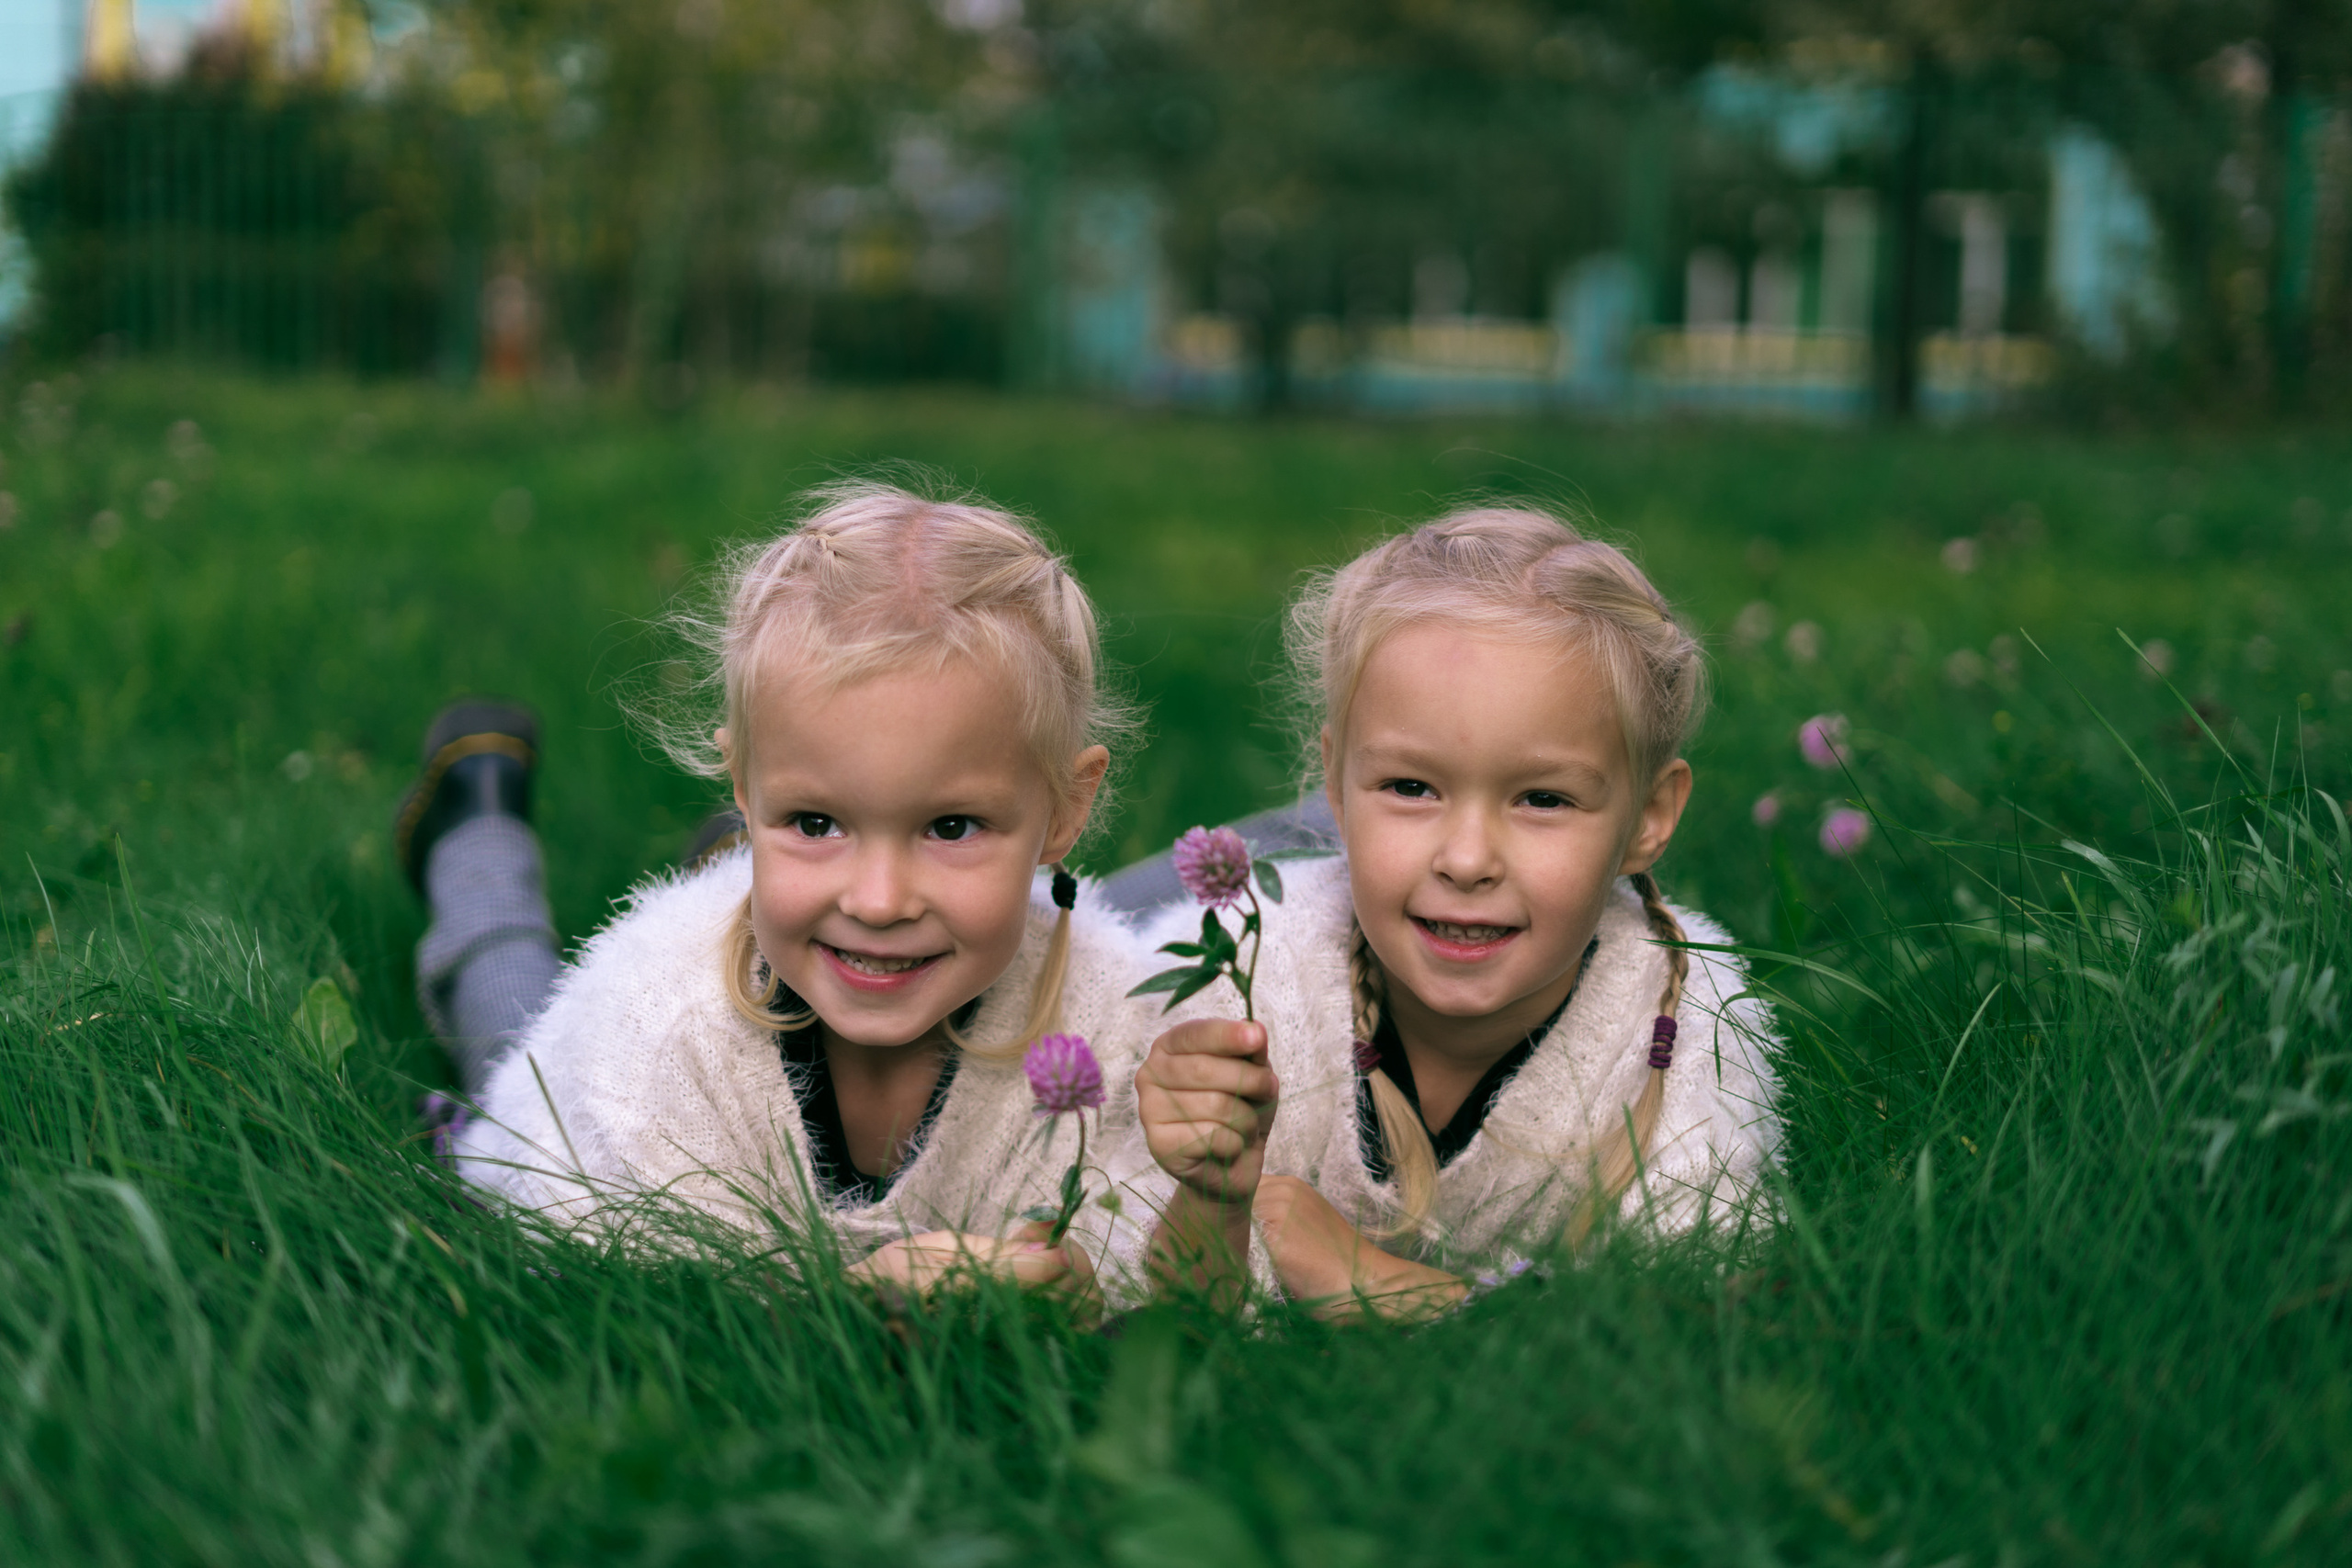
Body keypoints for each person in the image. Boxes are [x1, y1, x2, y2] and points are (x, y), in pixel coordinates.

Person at [400, 480, 1163, 1300]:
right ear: (743, 784)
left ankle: (751, 854)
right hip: (595, 1097)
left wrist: (1090, 1278)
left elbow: (1169, 1253)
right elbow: (659, 1317)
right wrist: (865, 1299)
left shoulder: (1114, 1020)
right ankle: (474, 829)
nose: (879, 901)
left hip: (768, 957)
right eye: (815, 820)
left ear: (1066, 808)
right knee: (513, 1027)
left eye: (950, 827)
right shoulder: (647, 1038)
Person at [1133, 504, 1782, 1317]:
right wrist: (1211, 1206)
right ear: (1337, 784)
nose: (1468, 859)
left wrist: (1386, 1284)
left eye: (1542, 798)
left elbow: (1696, 1312)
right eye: (1411, 786)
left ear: (1648, 817)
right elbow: (1119, 1285)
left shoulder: (1687, 1032)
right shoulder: (1239, 978)